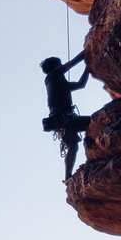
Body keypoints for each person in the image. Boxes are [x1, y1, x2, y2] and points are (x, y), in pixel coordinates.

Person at [41, 52, 91, 180]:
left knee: (73, 147)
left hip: (61, 121)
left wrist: (88, 67)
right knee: (96, 122)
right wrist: (87, 51)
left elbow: (81, 84)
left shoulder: (58, 83)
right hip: (65, 119)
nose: (62, 65)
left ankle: (68, 175)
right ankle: (94, 148)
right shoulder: (53, 76)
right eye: (59, 64)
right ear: (56, 66)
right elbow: (72, 63)